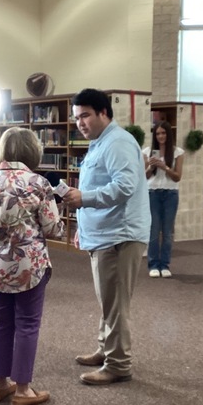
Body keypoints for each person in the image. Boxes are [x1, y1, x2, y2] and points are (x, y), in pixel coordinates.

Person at [0, 127, 63, 405]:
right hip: (27, 265)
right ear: (32, 151)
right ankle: (23, 389)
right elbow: (53, 229)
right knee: (27, 323)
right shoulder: (38, 183)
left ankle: (1, 385)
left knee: (0, 320)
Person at [63, 89, 150, 385]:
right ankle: (105, 349)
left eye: (85, 115)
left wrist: (84, 198)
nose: (80, 123)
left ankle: (118, 364)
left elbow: (124, 186)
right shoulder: (102, 142)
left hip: (119, 236)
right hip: (104, 233)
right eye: (77, 118)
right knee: (108, 300)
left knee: (115, 304)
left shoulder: (118, 142)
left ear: (104, 113)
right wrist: (82, 229)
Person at [143, 120, 184, 278]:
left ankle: (165, 264)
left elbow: (177, 177)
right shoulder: (147, 151)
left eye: (164, 133)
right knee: (153, 230)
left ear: (169, 134)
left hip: (170, 194)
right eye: (158, 133)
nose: (161, 136)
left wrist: (164, 166)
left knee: (167, 232)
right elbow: (144, 176)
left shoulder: (177, 152)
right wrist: (152, 167)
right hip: (152, 193)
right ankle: (153, 264)